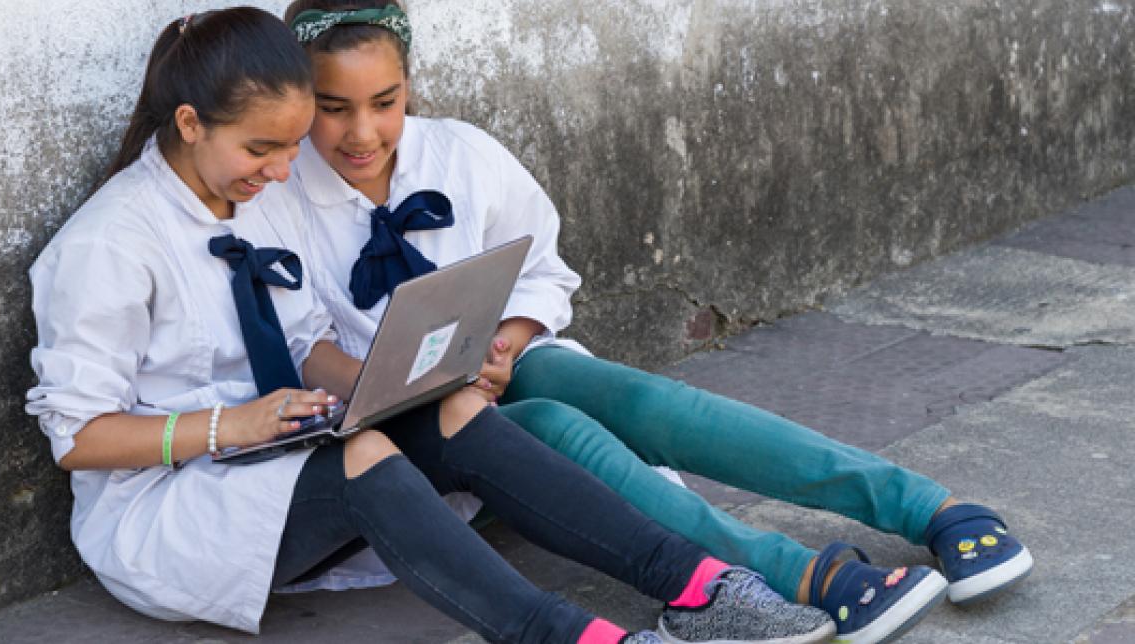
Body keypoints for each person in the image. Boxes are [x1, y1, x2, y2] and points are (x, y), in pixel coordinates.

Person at [24, 7, 837, 643]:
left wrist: (393, 380)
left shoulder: (249, 198)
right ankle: (566, 635)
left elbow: (305, 344)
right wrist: (230, 425)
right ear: (192, 123)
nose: (281, 172)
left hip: (282, 454)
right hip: (173, 511)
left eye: (290, 149)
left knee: (451, 409)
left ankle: (697, 587)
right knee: (366, 453)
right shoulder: (105, 246)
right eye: (263, 150)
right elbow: (79, 438)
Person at [281, 2, 1035, 643]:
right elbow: (290, 352)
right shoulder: (276, 199)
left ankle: (926, 504)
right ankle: (796, 573)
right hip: (411, 437)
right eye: (334, 106)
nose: (364, 132)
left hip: (495, 372)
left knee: (612, 391)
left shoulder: (461, 154)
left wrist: (507, 342)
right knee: (547, 423)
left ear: (410, 83)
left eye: (386, 101)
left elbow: (542, 270)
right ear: (297, 96)